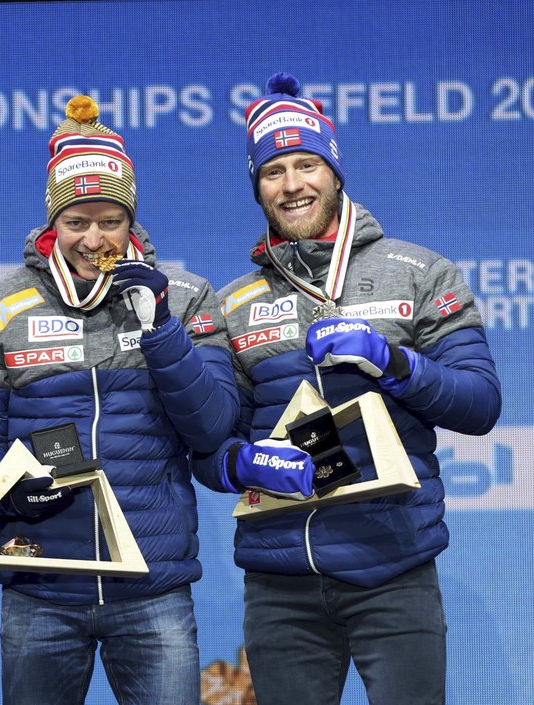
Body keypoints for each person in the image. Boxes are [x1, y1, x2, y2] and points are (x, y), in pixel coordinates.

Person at [190, 73, 502, 705]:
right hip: (280, 582)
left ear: (334, 170)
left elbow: (480, 404)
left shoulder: (420, 272)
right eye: (273, 171)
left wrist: (397, 363)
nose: (293, 184)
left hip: (394, 567)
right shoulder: (233, 304)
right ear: (257, 187)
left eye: (307, 164)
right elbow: (208, 439)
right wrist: (235, 463)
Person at [0, 95, 239, 705]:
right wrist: (9, 488)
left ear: (130, 222)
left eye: (109, 219)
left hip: (153, 587)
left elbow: (213, 428)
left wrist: (161, 329)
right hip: (41, 588)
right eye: (76, 220)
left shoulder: (185, 298)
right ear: (53, 223)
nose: (93, 239)